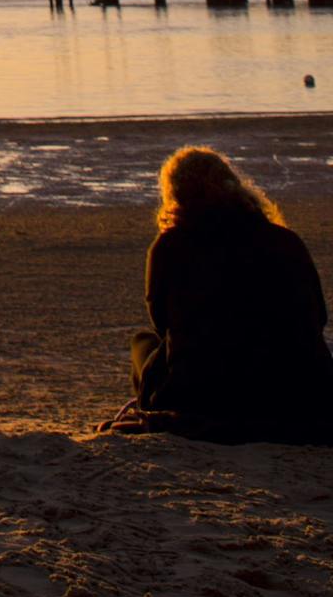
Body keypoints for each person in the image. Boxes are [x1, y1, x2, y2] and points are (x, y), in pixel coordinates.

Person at [119, 147, 333, 444]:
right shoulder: (285, 241)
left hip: (200, 392)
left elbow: (162, 324)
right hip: (292, 389)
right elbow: (317, 316)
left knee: (143, 343)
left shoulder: (170, 246)